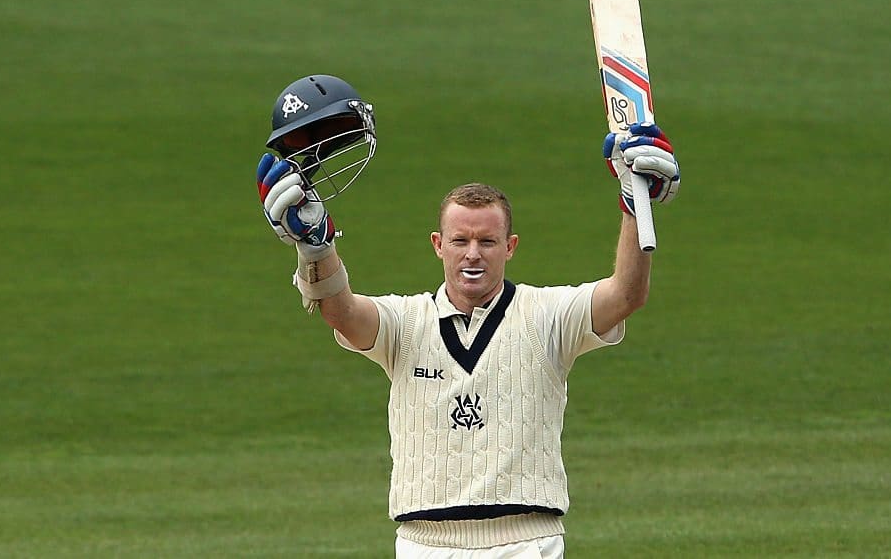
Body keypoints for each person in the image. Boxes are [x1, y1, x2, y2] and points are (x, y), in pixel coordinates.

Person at [256, 76, 680, 558]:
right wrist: (316, 247)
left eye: (487, 242)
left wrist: (634, 205)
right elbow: (340, 311)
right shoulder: (406, 323)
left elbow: (626, 294)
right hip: (425, 544)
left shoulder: (547, 317)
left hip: (525, 542)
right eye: (460, 241)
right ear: (438, 246)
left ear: (510, 247)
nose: (472, 255)